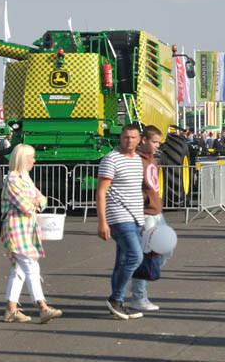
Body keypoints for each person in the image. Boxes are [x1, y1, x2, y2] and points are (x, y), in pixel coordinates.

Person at [1, 143, 62, 324]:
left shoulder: (24, 178)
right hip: (16, 228)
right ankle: (42, 306)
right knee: (31, 266)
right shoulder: (13, 179)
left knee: (19, 269)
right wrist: (35, 202)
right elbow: (27, 206)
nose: (34, 160)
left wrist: (35, 202)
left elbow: (42, 200)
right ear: (22, 158)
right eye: (31, 157)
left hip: (26, 228)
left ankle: (11, 309)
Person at [97, 124, 147, 320]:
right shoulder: (111, 159)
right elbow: (101, 192)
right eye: (126, 137)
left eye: (133, 138)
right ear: (120, 138)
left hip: (136, 216)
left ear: (139, 139)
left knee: (123, 260)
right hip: (118, 215)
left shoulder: (137, 160)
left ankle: (118, 302)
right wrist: (102, 222)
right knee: (136, 256)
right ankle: (115, 298)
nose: (129, 141)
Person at [129, 125, 168, 311]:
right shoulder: (137, 161)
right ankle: (139, 296)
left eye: (158, 143)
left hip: (156, 212)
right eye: (154, 142)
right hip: (146, 214)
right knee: (147, 256)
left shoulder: (151, 159)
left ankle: (140, 282)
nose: (157, 146)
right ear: (143, 140)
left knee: (165, 250)